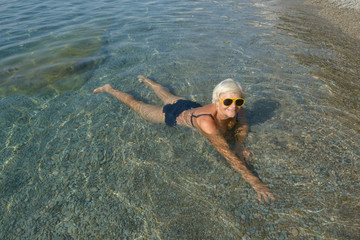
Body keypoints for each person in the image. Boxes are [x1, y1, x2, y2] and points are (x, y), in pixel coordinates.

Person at [93, 75, 275, 203]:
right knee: (136, 105)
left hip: (191, 106)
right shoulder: (206, 122)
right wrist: (255, 183)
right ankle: (110, 89)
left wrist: (240, 145)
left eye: (238, 102)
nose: (234, 107)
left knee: (165, 94)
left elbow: (243, 124)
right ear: (217, 101)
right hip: (173, 115)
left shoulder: (236, 105)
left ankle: (148, 81)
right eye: (227, 102)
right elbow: (226, 154)